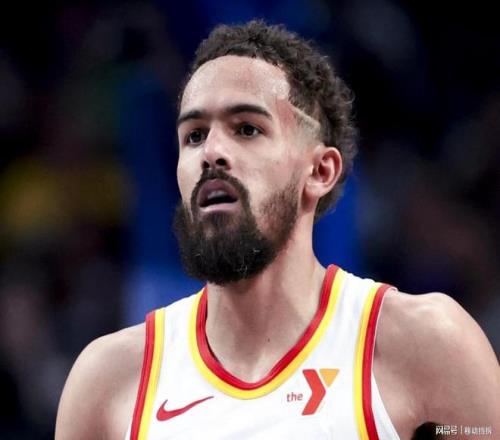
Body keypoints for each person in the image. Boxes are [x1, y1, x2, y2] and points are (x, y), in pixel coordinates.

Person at [55, 20, 500, 440]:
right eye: (194, 135)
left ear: (320, 171)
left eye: (247, 129)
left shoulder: (425, 344)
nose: (211, 151)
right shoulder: (110, 382)